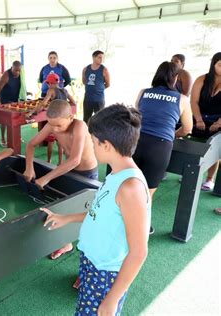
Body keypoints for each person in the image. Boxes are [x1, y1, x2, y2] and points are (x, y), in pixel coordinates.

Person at [41, 104, 150, 316]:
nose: (92, 146)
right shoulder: (114, 175)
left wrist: (112, 299)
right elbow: (101, 215)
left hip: (106, 275)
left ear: (106, 145)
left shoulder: (131, 187)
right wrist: (66, 218)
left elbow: (139, 252)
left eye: (94, 142)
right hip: (92, 264)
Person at [24, 100, 98, 260]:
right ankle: (66, 243)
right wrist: (28, 167)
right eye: (51, 125)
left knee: (88, 211)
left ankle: (89, 246)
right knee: (67, 206)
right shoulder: (52, 124)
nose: (54, 129)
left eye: (58, 126)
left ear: (71, 117)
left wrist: (45, 178)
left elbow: (75, 160)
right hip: (68, 171)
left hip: (87, 173)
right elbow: (31, 144)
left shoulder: (80, 126)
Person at [133, 62, 192, 229]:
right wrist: (171, 134)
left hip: (135, 142)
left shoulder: (143, 93)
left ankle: (121, 220)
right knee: (148, 192)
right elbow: (188, 128)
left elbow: (136, 117)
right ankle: (142, 227)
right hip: (160, 147)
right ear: (174, 78)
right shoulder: (182, 99)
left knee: (127, 183)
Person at [29, 73, 77, 165]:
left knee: (51, 141)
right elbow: (73, 102)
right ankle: (60, 162)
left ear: (49, 83)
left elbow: (43, 104)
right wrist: (64, 107)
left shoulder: (51, 90)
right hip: (63, 119)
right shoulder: (65, 90)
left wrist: (34, 112)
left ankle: (49, 161)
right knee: (60, 142)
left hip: (54, 118)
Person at [190, 52, 221, 191]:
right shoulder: (202, 79)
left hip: (218, 119)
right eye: (220, 65)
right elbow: (193, 101)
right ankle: (190, 172)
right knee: (193, 144)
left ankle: (209, 179)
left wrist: (219, 123)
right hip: (199, 117)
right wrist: (199, 119)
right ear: (213, 65)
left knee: (214, 148)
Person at [0, 61, 24, 147]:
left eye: (19, 71)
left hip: (15, 100)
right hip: (5, 99)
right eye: (15, 70)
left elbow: (22, 86)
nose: (17, 72)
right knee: (4, 121)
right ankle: (3, 139)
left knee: (18, 119)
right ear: (11, 68)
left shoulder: (22, 74)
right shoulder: (6, 75)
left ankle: (18, 136)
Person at [82, 50, 111, 123]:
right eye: (99, 57)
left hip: (99, 99)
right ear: (93, 58)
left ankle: (98, 134)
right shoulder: (86, 69)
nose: (101, 59)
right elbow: (84, 81)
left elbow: (108, 84)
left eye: (102, 58)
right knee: (86, 118)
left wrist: (99, 88)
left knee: (100, 120)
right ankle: (86, 133)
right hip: (88, 98)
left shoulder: (104, 70)